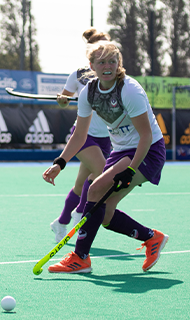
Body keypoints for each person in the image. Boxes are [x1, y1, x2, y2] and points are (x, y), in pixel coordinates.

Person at [42, 41, 168, 273]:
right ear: (92, 65)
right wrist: (60, 163)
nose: (107, 66)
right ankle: (152, 238)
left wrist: (130, 171)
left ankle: (80, 258)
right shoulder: (89, 90)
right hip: (121, 150)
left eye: (112, 61)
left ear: (119, 63)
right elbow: (79, 135)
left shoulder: (129, 90)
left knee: (95, 189)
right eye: (101, 62)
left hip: (147, 149)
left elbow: (146, 135)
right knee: (106, 213)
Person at [50, 28, 112, 242]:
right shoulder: (79, 74)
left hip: (106, 138)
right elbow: (64, 98)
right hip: (84, 136)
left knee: (81, 184)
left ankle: (62, 221)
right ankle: (82, 214)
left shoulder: (114, 74)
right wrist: (62, 100)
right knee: (104, 174)